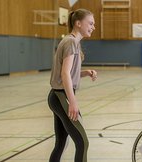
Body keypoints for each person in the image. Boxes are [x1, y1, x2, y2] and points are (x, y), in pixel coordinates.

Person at [47, 9, 96, 162]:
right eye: (91, 23)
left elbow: (68, 71)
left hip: (57, 96)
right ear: (78, 23)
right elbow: (65, 74)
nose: (93, 27)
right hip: (62, 96)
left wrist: (85, 72)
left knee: (61, 143)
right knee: (82, 142)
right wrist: (72, 101)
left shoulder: (72, 41)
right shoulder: (71, 42)